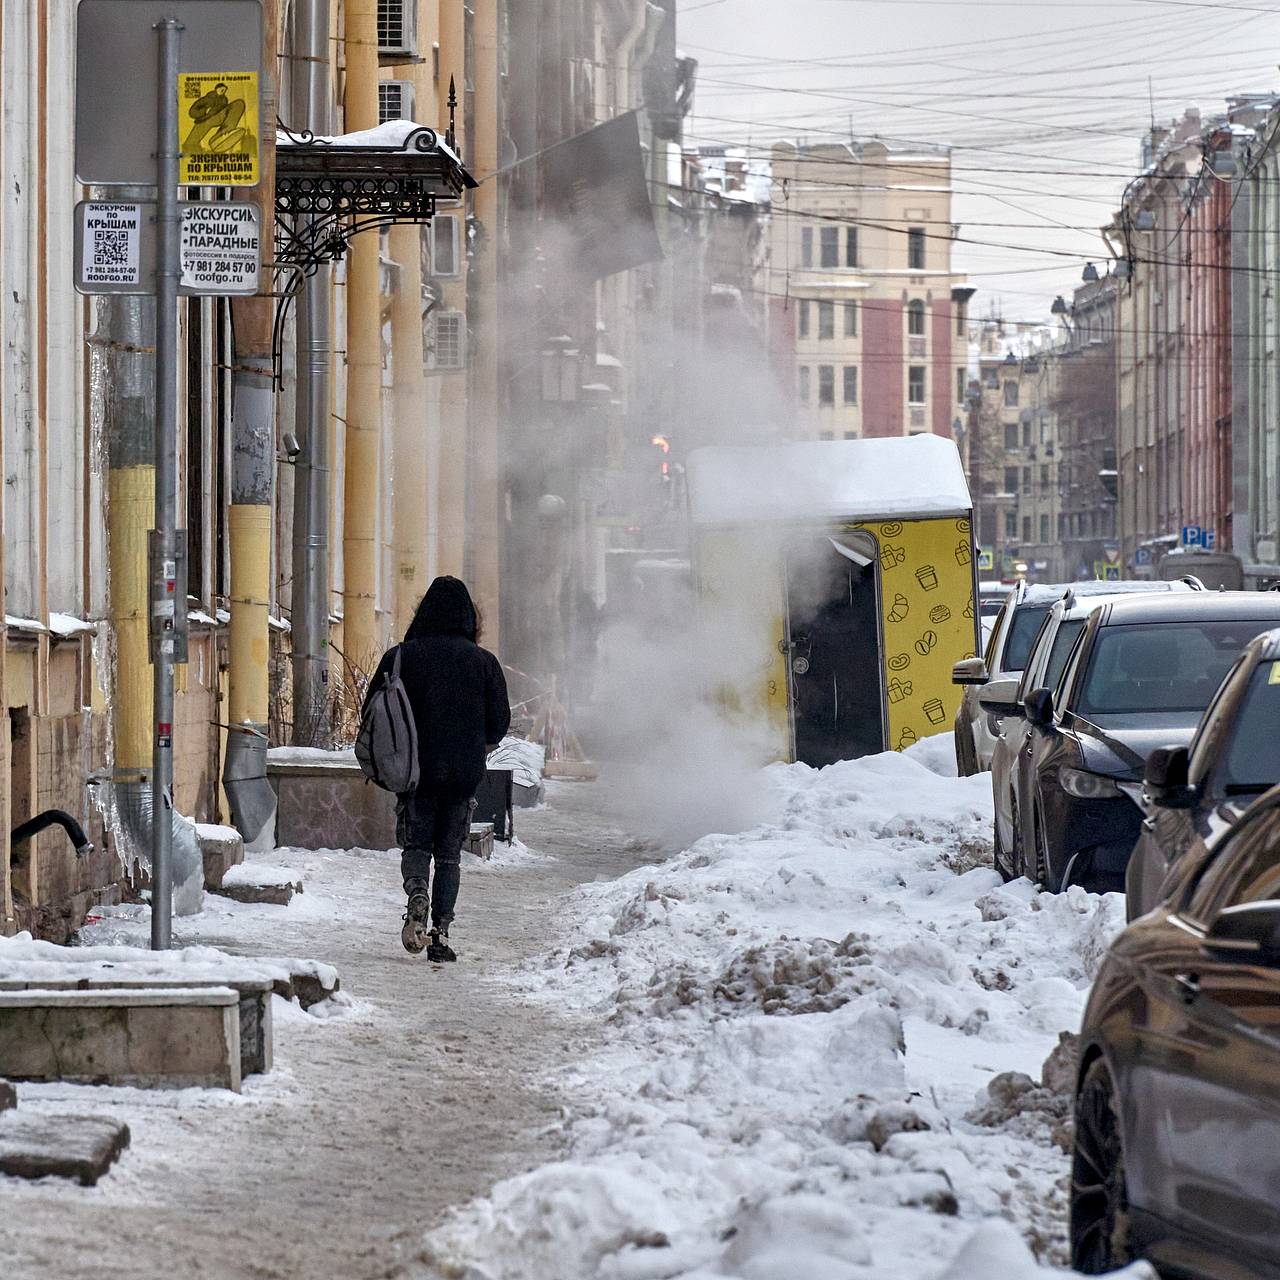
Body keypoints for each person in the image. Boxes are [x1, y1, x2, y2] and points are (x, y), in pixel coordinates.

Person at [365, 576, 510, 961]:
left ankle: (416, 893)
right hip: (462, 775)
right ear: (468, 618)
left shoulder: (401, 657)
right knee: (449, 855)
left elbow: (372, 713)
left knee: (416, 844)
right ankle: (440, 934)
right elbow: (499, 724)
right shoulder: (484, 663)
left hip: (414, 772)